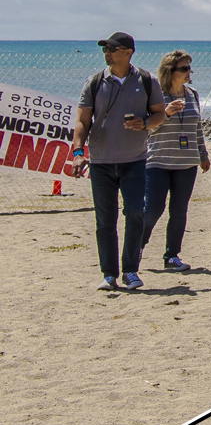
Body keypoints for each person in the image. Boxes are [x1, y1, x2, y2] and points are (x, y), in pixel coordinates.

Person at [75, 32, 173, 291]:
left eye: (112, 48)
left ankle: (130, 271)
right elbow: (82, 121)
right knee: (105, 220)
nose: (107, 53)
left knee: (135, 214)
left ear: (128, 52)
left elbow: (159, 116)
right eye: (105, 49)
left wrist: (144, 124)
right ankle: (109, 275)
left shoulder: (146, 80)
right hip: (100, 162)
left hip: (134, 161)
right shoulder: (95, 82)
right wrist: (77, 152)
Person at [140, 49, 210, 276]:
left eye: (190, 67)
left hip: (187, 163)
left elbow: (196, 127)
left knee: (179, 210)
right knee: (152, 209)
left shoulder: (193, 94)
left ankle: (172, 256)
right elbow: (148, 127)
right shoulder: (156, 95)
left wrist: (203, 153)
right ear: (170, 71)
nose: (189, 72)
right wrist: (167, 113)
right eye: (184, 68)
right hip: (159, 160)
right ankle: (136, 247)